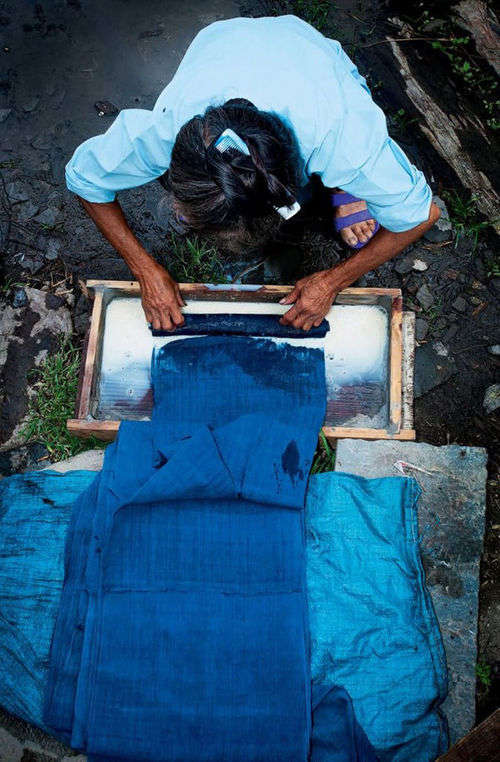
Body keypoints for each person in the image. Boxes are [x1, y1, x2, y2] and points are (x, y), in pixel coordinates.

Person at [66, 15, 440, 332]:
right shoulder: (165, 130)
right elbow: (84, 179)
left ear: (283, 188)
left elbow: (421, 216)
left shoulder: (344, 137)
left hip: (308, 53)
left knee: (350, 175)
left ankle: (345, 189)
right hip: (224, 41)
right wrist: (143, 268)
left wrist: (333, 281)